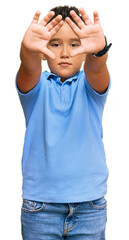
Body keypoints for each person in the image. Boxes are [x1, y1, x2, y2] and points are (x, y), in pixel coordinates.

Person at [16, 5, 111, 240]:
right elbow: (29, 68)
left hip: (90, 208)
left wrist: (98, 53)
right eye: (55, 44)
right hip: (40, 209)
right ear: (43, 49)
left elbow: (97, 68)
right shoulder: (36, 87)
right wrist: (28, 51)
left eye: (75, 44)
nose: (65, 53)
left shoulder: (90, 86)